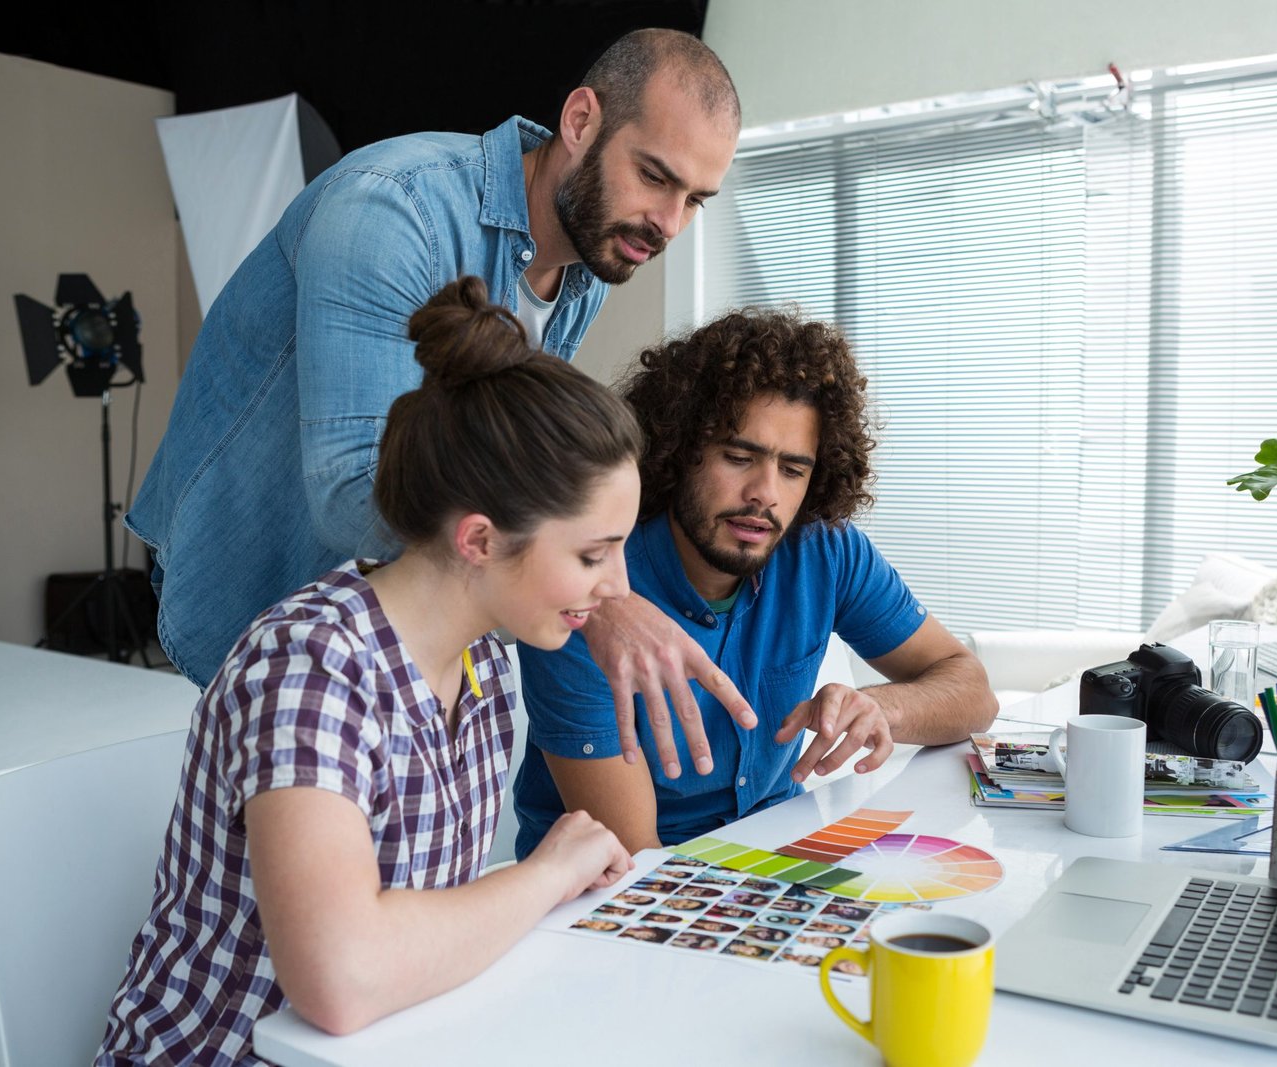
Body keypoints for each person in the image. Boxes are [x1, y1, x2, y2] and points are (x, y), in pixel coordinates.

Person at [128, 30, 754, 775]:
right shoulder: (391, 210)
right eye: (655, 176)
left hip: (395, 608)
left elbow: (512, 469)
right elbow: (353, 493)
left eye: (694, 199)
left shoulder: (583, 263)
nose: (670, 222)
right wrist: (598, 602)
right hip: (260, 570)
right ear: (581, 121)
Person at [95, 278, 638, 1065]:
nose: (617, 586)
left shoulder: (482, 654)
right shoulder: (310, 667)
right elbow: (341, 980)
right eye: (593, 553)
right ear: (479, 540)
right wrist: (546, 873)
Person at [511, 309, 999, 857]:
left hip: (778, 857)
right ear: (677, 447)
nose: (765, 493)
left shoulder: (825, 551)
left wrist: (884, 707)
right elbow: (634, 863)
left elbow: (974, 692)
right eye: (739, 456)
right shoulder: (592, 600)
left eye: (792, 470)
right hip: (618, 893)